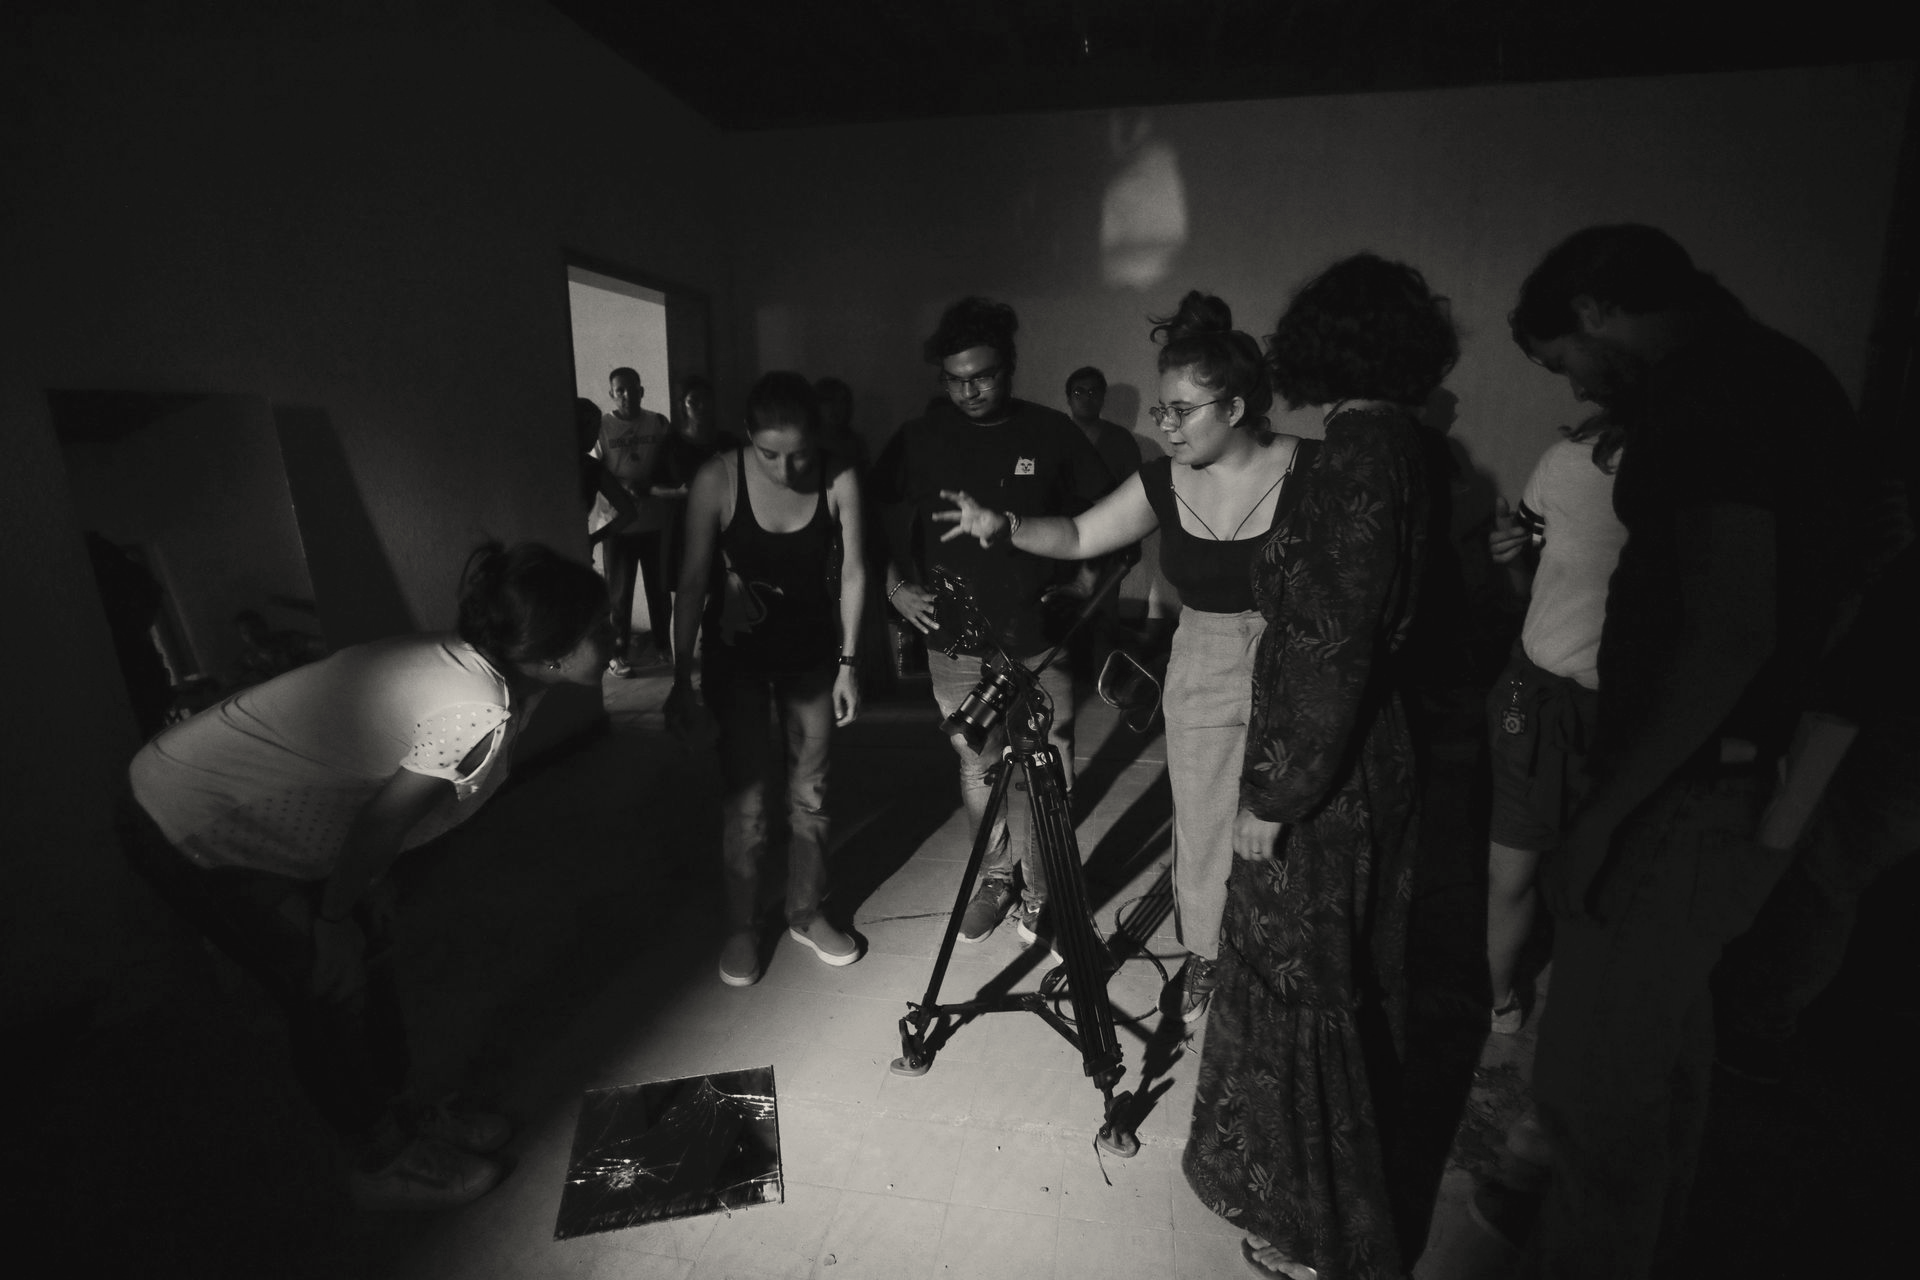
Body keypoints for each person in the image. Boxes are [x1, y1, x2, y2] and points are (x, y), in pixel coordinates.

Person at [1507, 224, 1901, 1278]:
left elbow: (1729, 628)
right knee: (1664, 1058)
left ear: (1594, 311)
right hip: (1759, 771)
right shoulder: (1788, 373)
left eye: (1563, 359)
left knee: (1590, 1088)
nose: (1578, 385)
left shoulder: (1708, 388)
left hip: (1689, 787)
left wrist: (1605, 813)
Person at [121, 543, 613, 1211]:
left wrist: (363, 894)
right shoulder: (476, 710)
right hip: (189, 816)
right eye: (599, 627)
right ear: (551, 652)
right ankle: (378, 1160)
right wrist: (331, 921)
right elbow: (381, 822)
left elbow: (385, 801)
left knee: (369, 956)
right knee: (330, 984)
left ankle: (401, 1116)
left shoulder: (483, 671)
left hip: (262, 817)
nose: (612, 635)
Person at [1183, 254, 1457, 1280]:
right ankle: (1326, 1214)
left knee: (1310, 985)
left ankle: (1320, 1233)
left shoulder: (1354, 457)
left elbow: (1327, 645)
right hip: (1372, 748)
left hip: (1326, 774)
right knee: (1351, 979)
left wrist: (1273, 794)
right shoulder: (1409, 445)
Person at [937, 292, 1314, 1023]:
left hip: (1297, 657)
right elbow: (1082, 535)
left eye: (1181, 410)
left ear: (1236, 408)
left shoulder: (1310, 467)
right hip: (1204, 656)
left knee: (1294, 816)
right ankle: (1208, 954)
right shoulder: (1163, 479)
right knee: (1203, 823)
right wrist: (1004, 523)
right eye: (1161, 409)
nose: (1164, 424)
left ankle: (1291, 953)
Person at [870, 296, 1115, 946]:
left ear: (1009, 366)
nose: (969, 391)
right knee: (978, 766)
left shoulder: (1050, 434)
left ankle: (1043, 893)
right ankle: (997, 879)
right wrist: (894, 589)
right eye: (955, 380)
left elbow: (1106, 516)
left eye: (982, 376)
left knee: (1047, 765)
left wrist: (1083, 585)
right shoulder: (920, 438)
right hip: (953, 640)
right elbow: (862, 516)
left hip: (1037, 635)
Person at [666, 372, 867, 986]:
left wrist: (849, 663)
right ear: (748, 437)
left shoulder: (839, 475)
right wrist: (680, 677)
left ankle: (805, 912)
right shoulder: (717, 477)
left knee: (813, 794)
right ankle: (741, 925)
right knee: (747, 803)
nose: (786, 468)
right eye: (770, 454)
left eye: (799, 454)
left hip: (811, 659)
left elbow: (855, 572)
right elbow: (692, 582)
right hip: (738, 664)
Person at [1482, 415, 1627, 1034]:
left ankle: (1588, 1008)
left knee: (1609, 873)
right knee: (1512, 868)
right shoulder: (1567, 461)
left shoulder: (1706, 475)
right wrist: (1512, 556)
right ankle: (1499, 998)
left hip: (1633, 709)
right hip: (1540, 695)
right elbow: (1526, 587)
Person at [592, 366, 675, 675]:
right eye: (620, 390)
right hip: (618, 524)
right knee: (619, 594)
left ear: (641, 391)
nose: (627, 395)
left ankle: (664, 646)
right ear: (612, 394)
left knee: (659, 590)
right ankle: (618, 654)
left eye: (632, 389)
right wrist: (622, 487)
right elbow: (594, 471)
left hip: (654, 522)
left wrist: (651, 485)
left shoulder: (658, 423)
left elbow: (670, 465)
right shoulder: (603, 428)